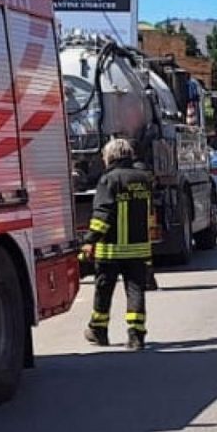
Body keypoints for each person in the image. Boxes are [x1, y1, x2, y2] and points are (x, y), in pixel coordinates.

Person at [83, 137, 155, 349]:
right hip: (138, 249)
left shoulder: (109, 180)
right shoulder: (143, 179)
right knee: (135, 291)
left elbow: (102, 215)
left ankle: (98, 330)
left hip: (111, 250)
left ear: (110, 157)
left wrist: (89, 240)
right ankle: (136, 335)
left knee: (104, 291)